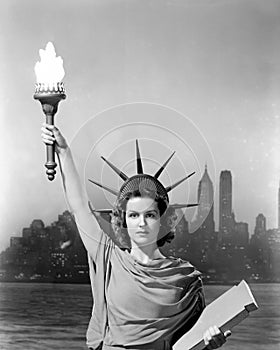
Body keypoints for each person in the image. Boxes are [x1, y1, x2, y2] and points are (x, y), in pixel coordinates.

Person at [41, 123, 231, 350]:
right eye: (133, 215)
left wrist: (210, 344)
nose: (141, 223)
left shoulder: (185, 279)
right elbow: (80, 206)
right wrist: (63, 151)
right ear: (124, 221)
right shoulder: (109, 258)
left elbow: (190, 343)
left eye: (149, 215)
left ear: (162, 221)